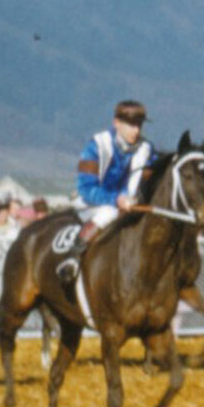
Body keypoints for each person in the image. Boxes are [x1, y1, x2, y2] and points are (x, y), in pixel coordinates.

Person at [62, 99, 154, 279]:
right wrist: (116, 200)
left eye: (139, 125)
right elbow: (86, 189)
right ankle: (73, 256)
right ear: (116, 123)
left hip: (127, 204)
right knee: (109, 212)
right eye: (131, 125)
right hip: (91, 202)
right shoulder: (97, 145)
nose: (136, 130)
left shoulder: (146, 148)